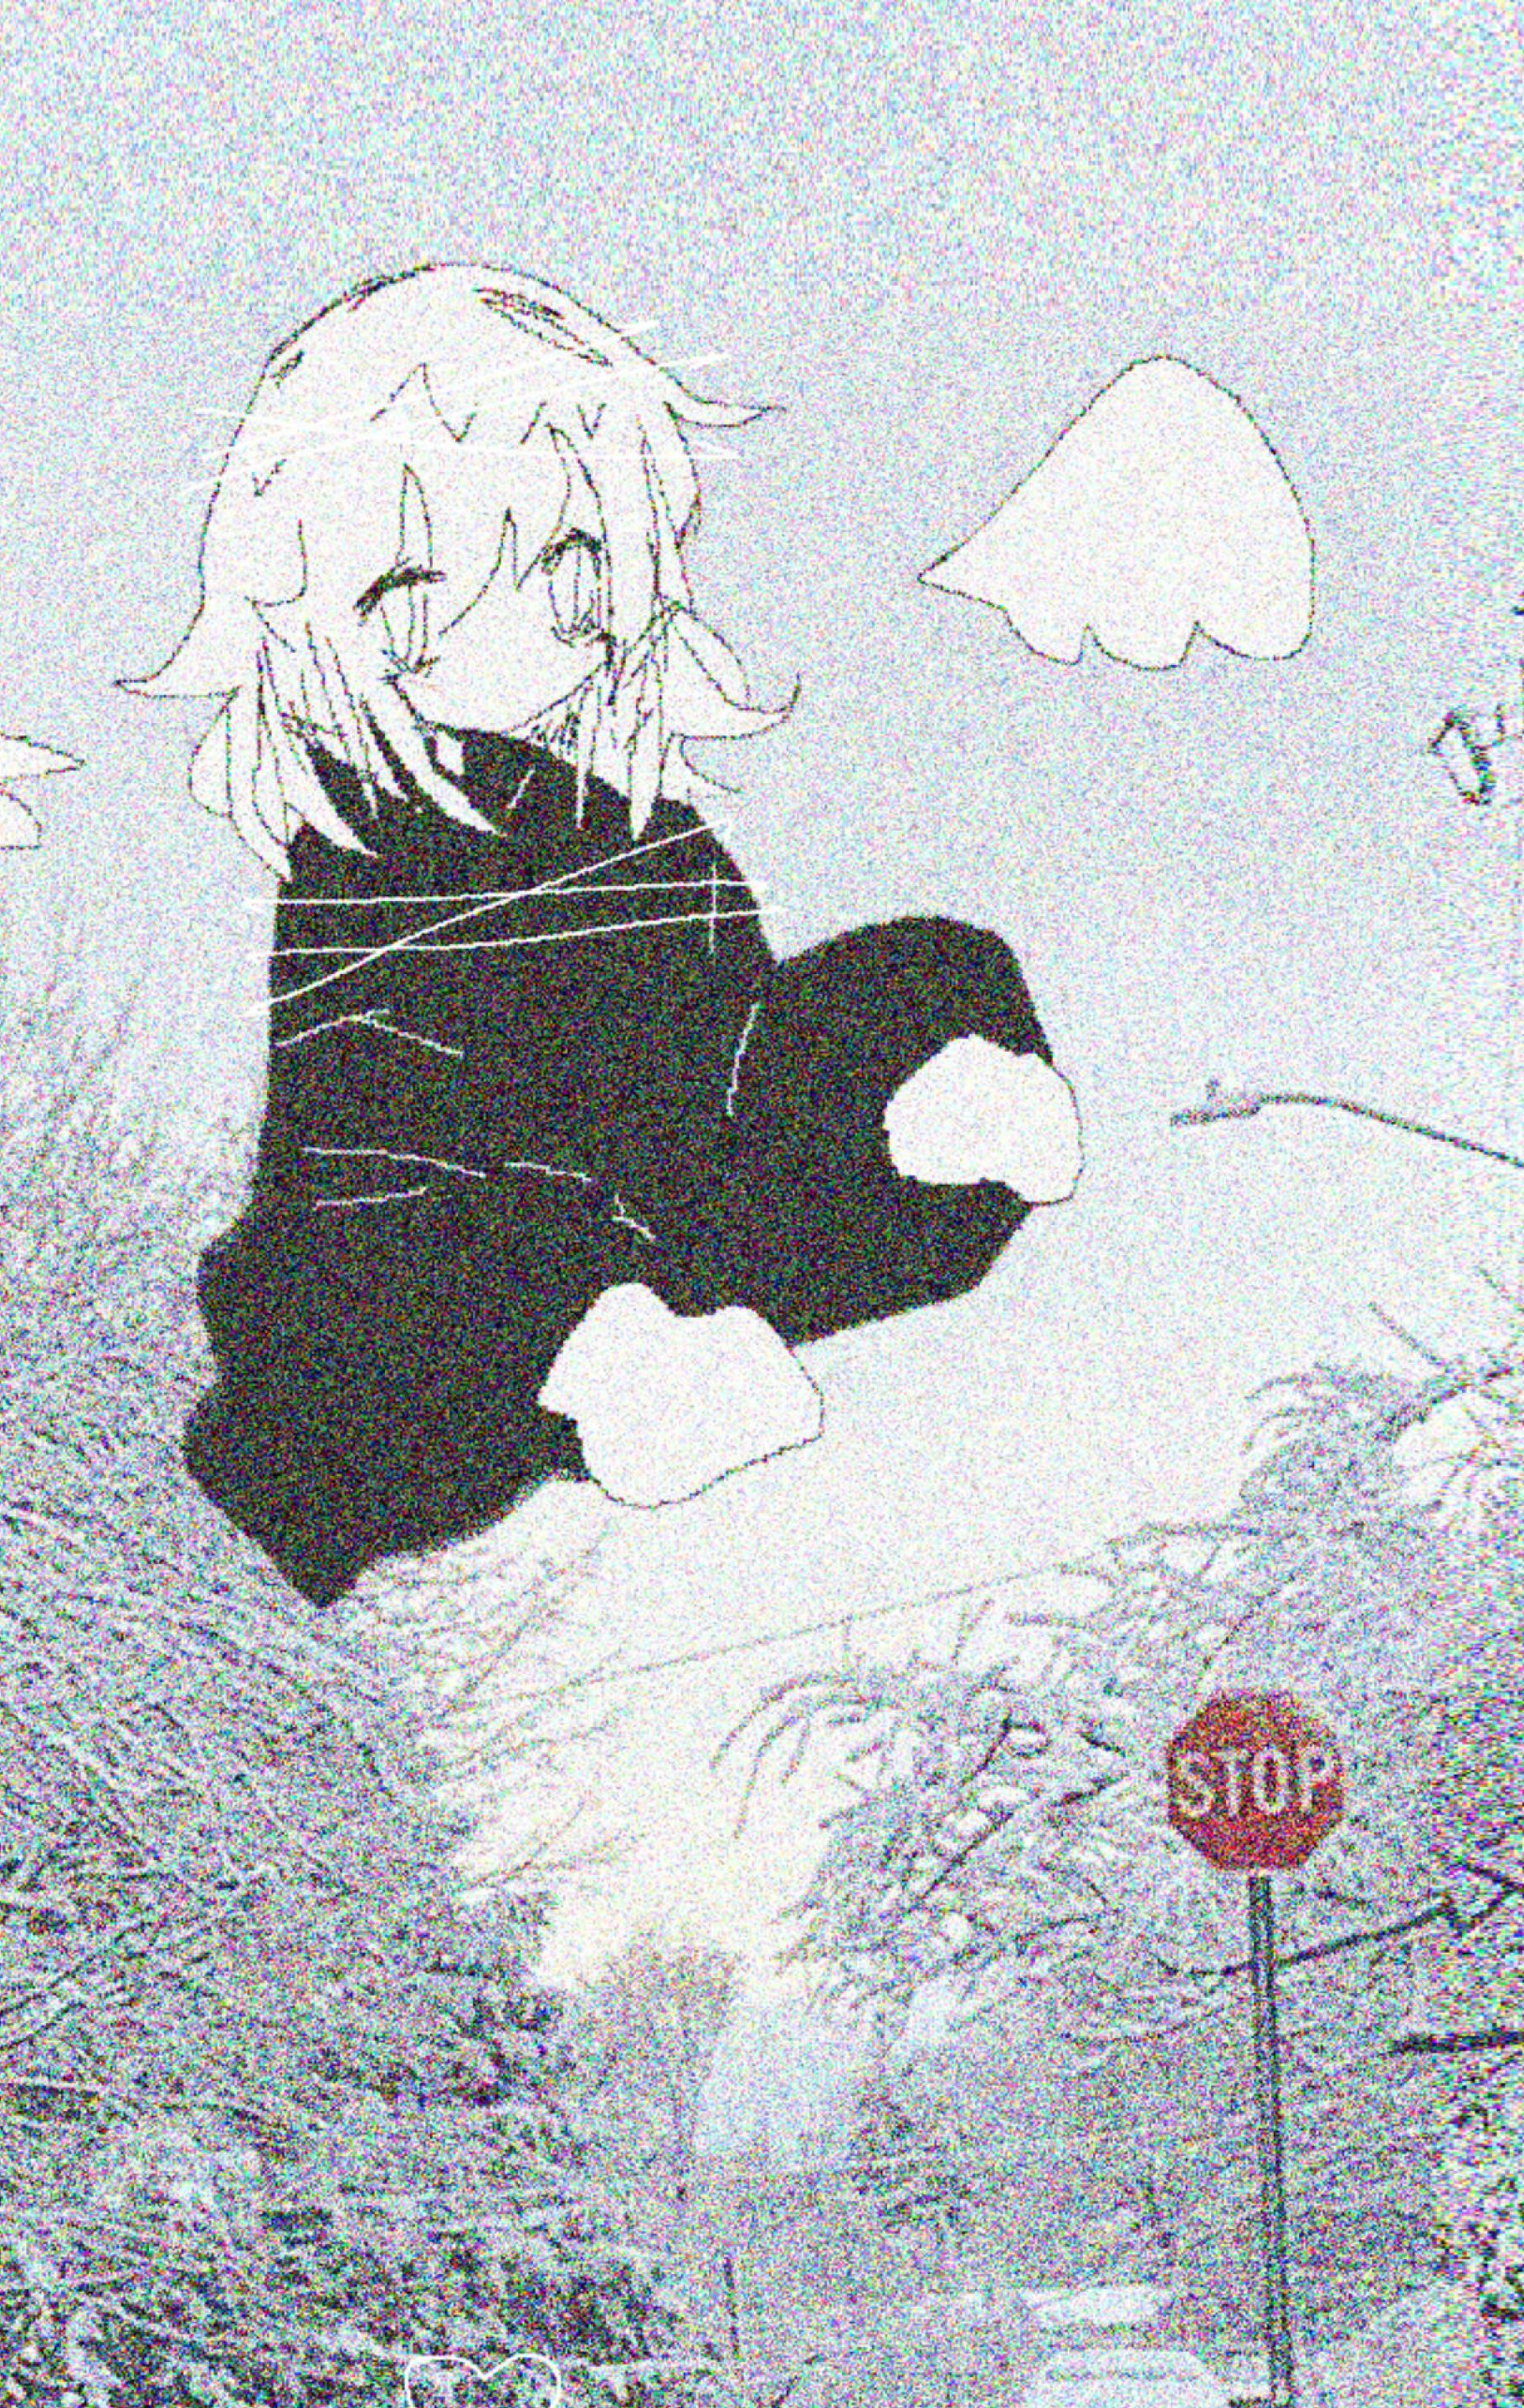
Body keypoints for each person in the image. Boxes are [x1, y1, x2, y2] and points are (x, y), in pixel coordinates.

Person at [129, 264, 1079, 1606]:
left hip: (657, 1213)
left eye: (571, 570)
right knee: (407, 1264)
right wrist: (578, 1340)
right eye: (429, 589)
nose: (519, 622)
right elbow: (372, 1171)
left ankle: (936, 1118)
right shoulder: (375, 862)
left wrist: (923, 1053)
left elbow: (745, 1057)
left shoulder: (644, 843)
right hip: (407, 1310)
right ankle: (609, 1357)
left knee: (910, 986)